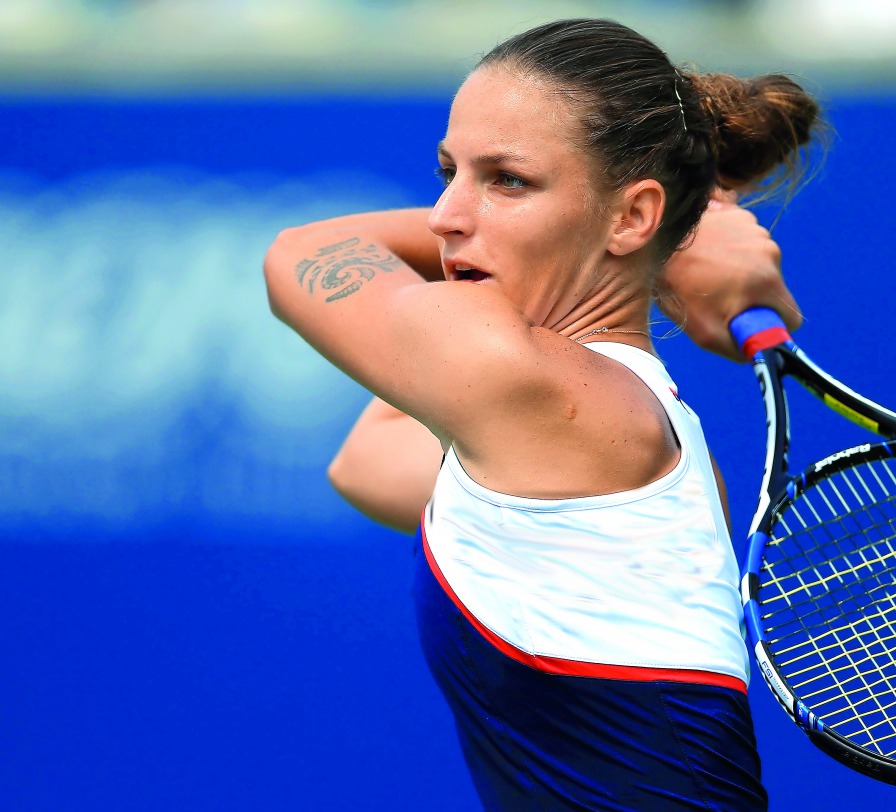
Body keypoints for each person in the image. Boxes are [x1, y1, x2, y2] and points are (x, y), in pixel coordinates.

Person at [264, 17, 822, 811]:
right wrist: (665, 252)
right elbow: (365, 465)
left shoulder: (539, 394)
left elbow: (299, 253)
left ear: (633, 216)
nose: (443, 216)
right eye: (447, 172)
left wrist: (679, 247)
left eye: (507, 180)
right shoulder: (599, 428)